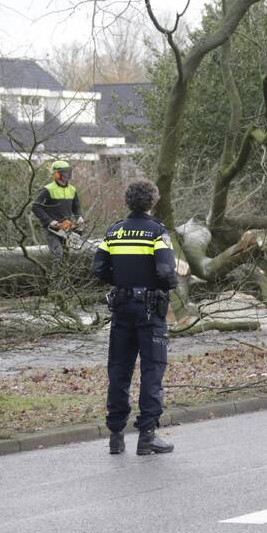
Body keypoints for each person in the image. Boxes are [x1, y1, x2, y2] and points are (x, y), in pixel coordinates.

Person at [91, 179, 178, 455]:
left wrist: (123, 281)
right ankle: (147, 436)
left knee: (119, 370)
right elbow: (165, 272)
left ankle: (116, 437)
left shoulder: (114, 232)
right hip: (150, 310)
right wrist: (168, 286)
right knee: (152, 370)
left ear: (128, 202)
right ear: (152, 201)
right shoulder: (157, 233)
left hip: (121, 308)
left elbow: (98, 268)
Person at [31, 160, 84, 257]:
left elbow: (76, 207)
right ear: (56, 174)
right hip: (51, 229)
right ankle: (55, 273)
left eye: (68, 172)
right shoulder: (48, 189)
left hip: (65, 228)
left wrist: (79, 217)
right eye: (65, 172)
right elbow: (36, 207)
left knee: (67, 254)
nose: (67, 174)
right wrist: (49, 221)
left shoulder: (72, 189)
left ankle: (65, 272)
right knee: (58, 254)